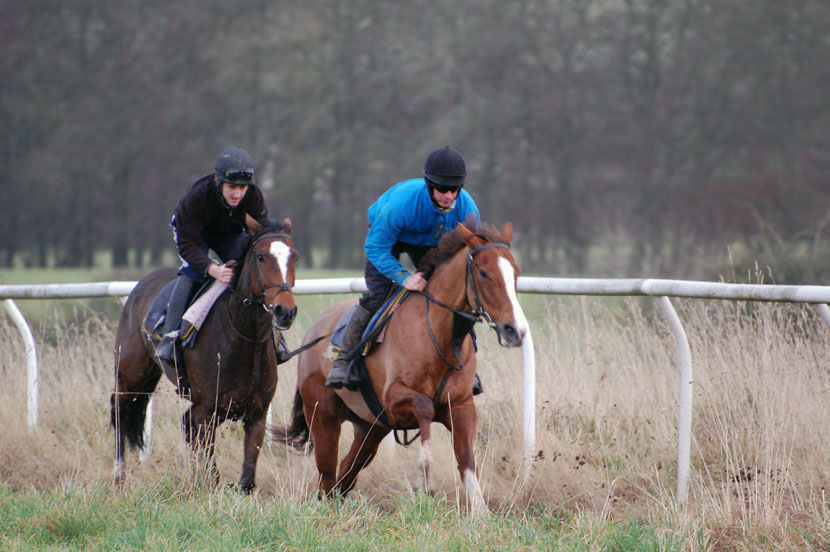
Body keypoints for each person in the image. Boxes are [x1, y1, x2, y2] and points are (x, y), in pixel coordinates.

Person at [326, 146, 483, 393]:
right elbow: (375, 247)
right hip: (388, 239)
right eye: (442, 189)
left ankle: (465, 364)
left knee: (454, 296)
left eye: (454, 190)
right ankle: (344, 360)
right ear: (430, 185)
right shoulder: (402, 204)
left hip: (432, 243)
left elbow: (473, 249)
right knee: (377, 295)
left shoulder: (467, 207)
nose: (449, 196)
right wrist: (403, 277)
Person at [156, 147, 289, 363]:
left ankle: (276, 336)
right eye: (232, 187)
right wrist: (213, 269)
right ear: (218, 181)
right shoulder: (196, 197)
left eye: (242, 187)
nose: (238, 194)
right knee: (193, 273)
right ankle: (169, 337)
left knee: (250, 269)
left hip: (229, 235)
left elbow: (259, 235)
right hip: (194, 236)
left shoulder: (254, 196)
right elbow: (188, 246)